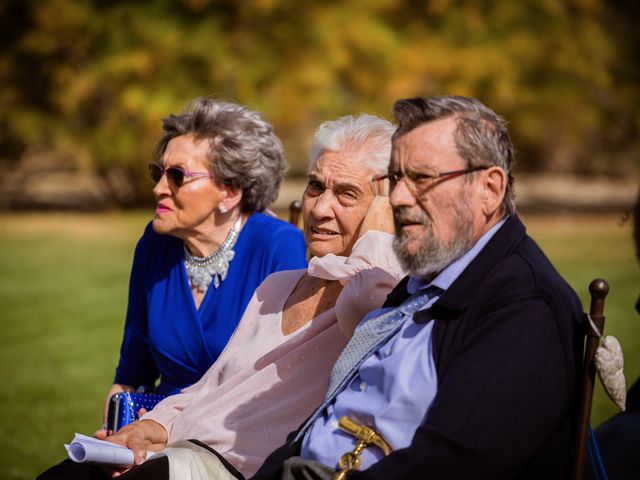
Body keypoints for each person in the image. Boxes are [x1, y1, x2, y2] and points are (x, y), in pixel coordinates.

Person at [37, 114, 406, 479]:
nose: (320, 209)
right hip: (184, 444)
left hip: (231, 466)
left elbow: (368, 308)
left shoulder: (382, 292)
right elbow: (215, 386)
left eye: (347, 194)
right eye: (314, 187)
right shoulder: (276, 286)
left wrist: (382, 231)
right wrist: (153, 426)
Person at [242, 95, 586, 480]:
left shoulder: (523, 307)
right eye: (395, 179)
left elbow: (451, 466)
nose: (399, 198)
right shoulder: (428, 279)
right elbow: (324, 420)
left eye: (421, 178)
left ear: (489, 189)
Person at [104, 97, 307, 417]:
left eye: (177, 176)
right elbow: (130, 378)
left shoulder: (278, 245)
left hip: (237, 433)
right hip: (153, 428)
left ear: (230, 192)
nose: (159, 188)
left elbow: (283, 384)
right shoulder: (155, 244)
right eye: (157, 173)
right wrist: (116, 434)